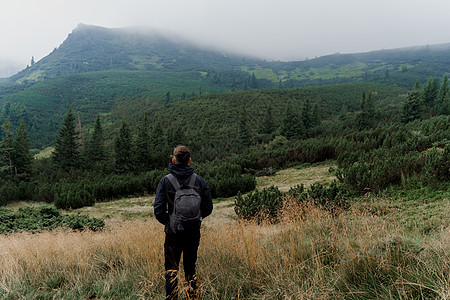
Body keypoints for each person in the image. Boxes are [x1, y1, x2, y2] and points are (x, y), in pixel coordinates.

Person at [154, 145, 213, 300]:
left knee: (171, 270)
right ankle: (192, 297)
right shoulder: (199, 180)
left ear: (174, 160)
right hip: (193, 232)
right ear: (189, 160)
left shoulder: (166, 181)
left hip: (173, 233)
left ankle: (172, 298)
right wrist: (196, 219)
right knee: (190, 269)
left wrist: (170, 222)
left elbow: (158, 211)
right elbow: (208, 208)